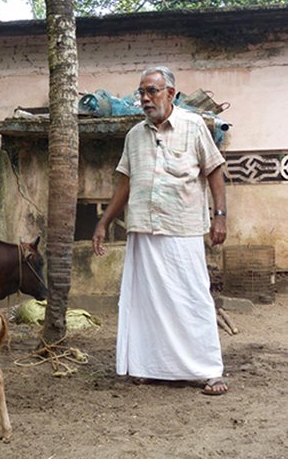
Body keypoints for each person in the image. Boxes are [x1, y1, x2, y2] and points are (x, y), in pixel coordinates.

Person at [92, 66, 228, 395]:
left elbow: (214, 169)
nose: (145, 98)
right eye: (141, 92)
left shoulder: (194, 125)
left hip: (182, 228)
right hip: (143, 230)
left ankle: (209, 370)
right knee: (146, 302)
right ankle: (148, 367)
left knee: (192, 298)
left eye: (152, 91)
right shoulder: (134, 135)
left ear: (170, 93)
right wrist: (104, 221)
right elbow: (125, 182)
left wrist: (220, 215)